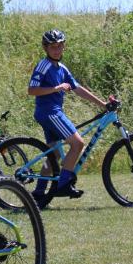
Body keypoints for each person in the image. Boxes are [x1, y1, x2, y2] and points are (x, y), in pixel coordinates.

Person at [27, 29, 108, 205]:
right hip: (49, 112)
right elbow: (31, 90)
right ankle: (63, 184)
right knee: (78, 143)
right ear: (45, 48)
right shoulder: (44, 65)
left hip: (52, 112)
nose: (57, 50)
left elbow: (77, 89)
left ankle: (39, 193)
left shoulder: (61, 68)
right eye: (53, 47)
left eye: (60, 46)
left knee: (54, 155)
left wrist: (103, 104)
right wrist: (55, 88)